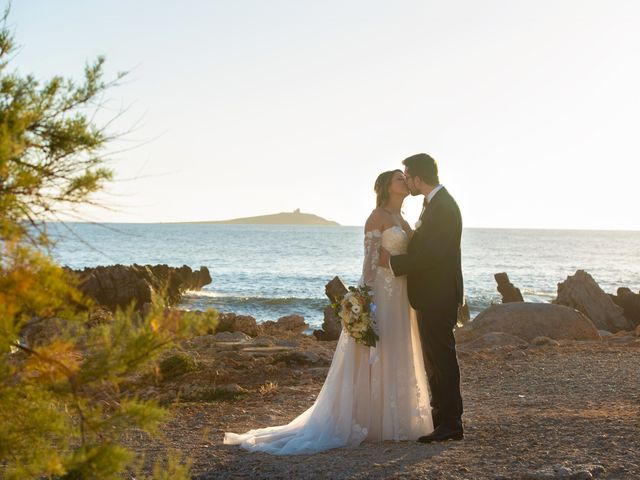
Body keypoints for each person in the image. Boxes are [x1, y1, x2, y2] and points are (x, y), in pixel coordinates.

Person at [223, 169, 434, 454]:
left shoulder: (403, 220)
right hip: (381, 294)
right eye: (399, 178)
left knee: (396, 349)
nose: (404, 181)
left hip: (401, 293)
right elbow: (369, 263)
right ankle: (368, 419)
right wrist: (364, 301)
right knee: (375, 352)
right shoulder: (378, 217)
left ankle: (395, 419)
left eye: (405, 177)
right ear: (386, 186)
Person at [379, 153, 464, 443]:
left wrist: (394, 263)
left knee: (441, 359)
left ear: (417, 178)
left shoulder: (443, 208)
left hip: (438, 296)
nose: (407, 182)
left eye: (408, 176)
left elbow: (432, 255)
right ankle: (443, 420)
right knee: (435, 359)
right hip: (432, 295)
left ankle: (451, 423)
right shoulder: (434, 205)